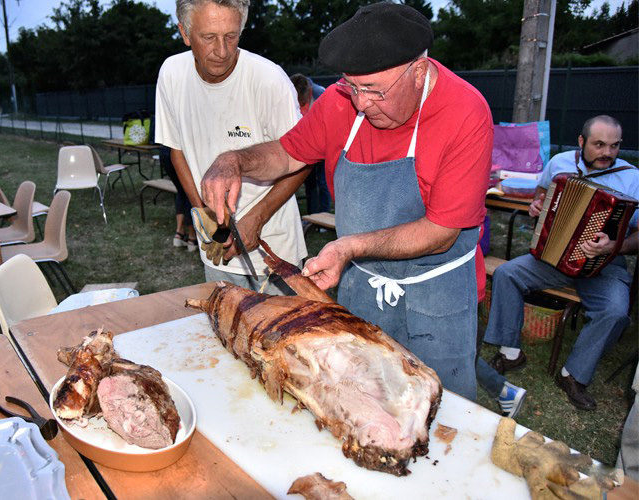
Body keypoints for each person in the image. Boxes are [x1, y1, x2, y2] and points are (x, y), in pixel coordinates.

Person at [200, 3, 493, 400]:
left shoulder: (465, 112)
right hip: (363, 284)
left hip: (436, 290)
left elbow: (441, 231)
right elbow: (288, 154)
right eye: (352, 87)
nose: (361, 103)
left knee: (445, 410)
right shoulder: (342, 101)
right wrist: (233, 160)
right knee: (362, 396)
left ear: (419, 71)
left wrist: (349, 246)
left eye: (374, 90)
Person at [480, 115, 639, 411]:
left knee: (616, 311)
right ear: (581, 142)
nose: (607, 152)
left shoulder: (631, 177)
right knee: (507, 274)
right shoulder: (560, 163)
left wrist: (614, 246)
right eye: (599, 144)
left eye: (614, 146)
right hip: (554, 257)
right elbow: (542, 197)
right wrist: (537, 206)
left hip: (603, 265)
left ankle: (573, 375)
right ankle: (511, 352)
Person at [155, 0, 309, 294]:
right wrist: (203, 213)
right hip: (217, 253)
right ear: (185, 34)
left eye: (231, 36)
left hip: (274, 254)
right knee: (225, 336)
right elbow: (177, 151)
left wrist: (257, 219)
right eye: (209, 37)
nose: (222, 51)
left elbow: (303, 158)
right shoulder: (171, 74)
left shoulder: (269, 79)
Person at [290, 73, 331, 216]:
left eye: (302, 101)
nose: (301, 104)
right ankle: (312, 215)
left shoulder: (322, 95)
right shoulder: (289, 93)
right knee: (309, 182)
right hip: (306, 144)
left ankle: (324, 214)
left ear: (308, 93)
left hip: (323, 144)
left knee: (323, 182)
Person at [159, 145, 198, 252]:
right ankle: (192, 237)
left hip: (165, 152)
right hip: (182, 153)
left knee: (182, 191)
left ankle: (179, 232)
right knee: (190, 192)